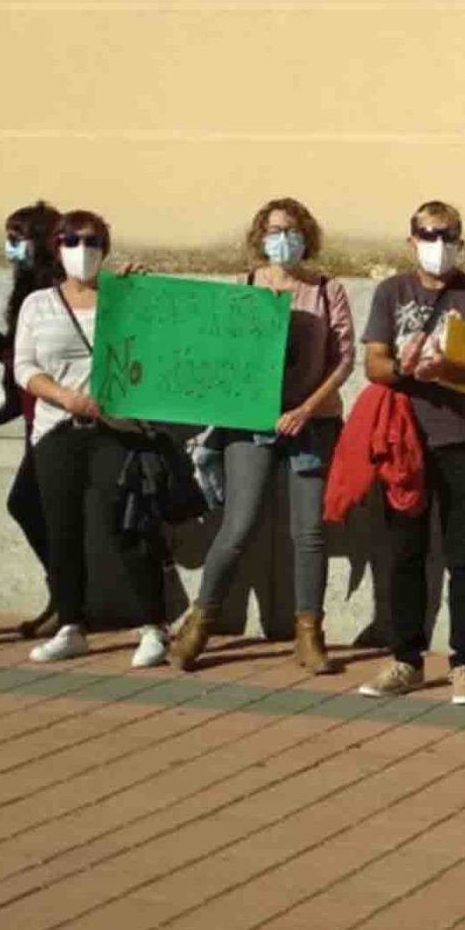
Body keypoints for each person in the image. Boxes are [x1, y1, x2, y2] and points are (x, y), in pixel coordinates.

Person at [168, 199, 356, 676]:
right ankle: (200, 622)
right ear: (260, 237)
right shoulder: (247, 288)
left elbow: (344, 360)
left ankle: (309, 634)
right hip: (251, 423)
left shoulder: (328, 290)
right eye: (274, 230)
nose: (283, 238)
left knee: (309, 531)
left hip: (311, 422)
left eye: (291, 230)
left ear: (306, 235)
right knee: (239, 524)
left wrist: (305, 409)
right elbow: (222, 353)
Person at [358, 201, 465, 706]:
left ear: (461, 241)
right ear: (411, 241)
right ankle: (405, 659)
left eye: (447, 236)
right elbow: (373, 363)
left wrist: (444, 368)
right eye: (428, 235)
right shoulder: (390, 291)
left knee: (464, 556)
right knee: (406, 553)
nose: (437, 245)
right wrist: (404, 369)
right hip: (405, 442)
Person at [13, 209, 171, 667]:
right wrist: (64, 397)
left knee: (127, 526)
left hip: (113, 430)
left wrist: (142, 296)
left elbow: (155, 355)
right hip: (57, 430)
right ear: (56, 247)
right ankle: (71, 624)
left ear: (106, 247)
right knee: (61, 529)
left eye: (93, 241)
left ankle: (154, 626)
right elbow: (24, 366)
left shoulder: (121, 298)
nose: (83, 250)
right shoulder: (37, 303)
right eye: (72, 240)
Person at [0, 199, 64, 637]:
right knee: (33, 506)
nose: (11, 248)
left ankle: (68, 598)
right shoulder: (24, 291)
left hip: (56, 417)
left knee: (28, 503)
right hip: (31, 414)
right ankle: (63, 596)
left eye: (17, 239)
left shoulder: (58, 289)